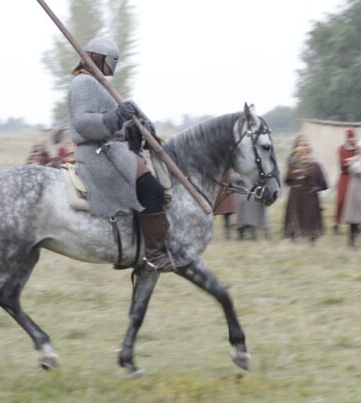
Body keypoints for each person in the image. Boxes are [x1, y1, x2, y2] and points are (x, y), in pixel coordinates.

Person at [68, 37, 186, 271]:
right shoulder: (83, 83)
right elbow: (82, 123)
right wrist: (117, 117)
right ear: (100, 59)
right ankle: (154, 254)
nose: (113, 67)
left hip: (115, 150)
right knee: (152, 190)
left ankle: (136, 247)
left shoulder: (98, 83)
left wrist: (139, 123)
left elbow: (120, 120)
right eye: (111, 61)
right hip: (99, 152)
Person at [283, 137, 326, 243]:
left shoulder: (315, 165)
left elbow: (322, 182)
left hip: (309, 195)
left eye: (304, 153)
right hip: (295, 195)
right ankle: (293, 236)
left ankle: (312, 237)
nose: (302, 156)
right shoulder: (292, 164)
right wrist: (295, 175)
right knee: (294, 216)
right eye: (300, 154)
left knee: (310, 217)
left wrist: (315, 187)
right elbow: (287, 179)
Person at [334, 129, 357, 234]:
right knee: (341, 201)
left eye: (354, 137)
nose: (353, 139)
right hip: (345, 176)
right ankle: (337, 223)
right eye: (351, 137)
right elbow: (342, 164)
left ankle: (353, 225)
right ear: (347, 138)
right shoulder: (341, 149)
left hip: (355, 177)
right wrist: (353, 160)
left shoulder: (357, 149)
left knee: (353, 201)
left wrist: (352, 161)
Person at [213, 170, 237, 240]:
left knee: (226, 220)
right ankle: (228, 235)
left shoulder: (223, 174)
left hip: (225, 199)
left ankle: (227, 235)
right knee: (227, 220)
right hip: (227, 199)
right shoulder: (229, 174)